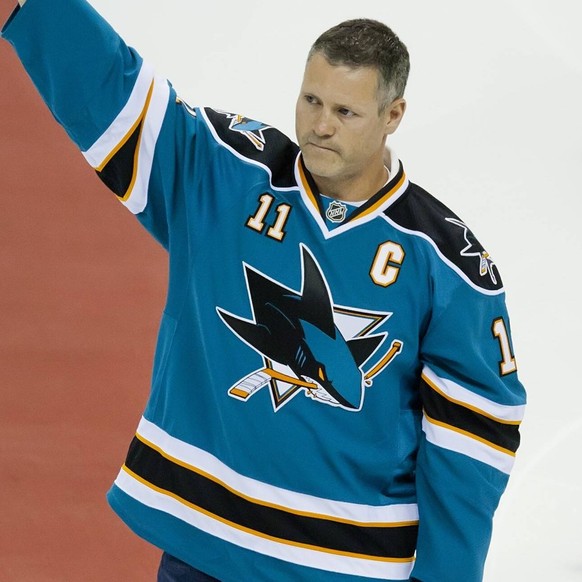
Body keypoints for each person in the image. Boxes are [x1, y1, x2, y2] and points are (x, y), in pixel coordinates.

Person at [2, 1, 526, 580]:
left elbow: (470, 451)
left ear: (393, 114)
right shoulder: (226, 171)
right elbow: (111, 87)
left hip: (340, 564)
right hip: (202, 537)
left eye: (346, 111)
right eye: (311, 101)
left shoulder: (448, 268)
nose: (319, 126)